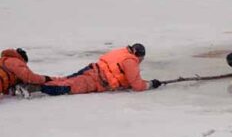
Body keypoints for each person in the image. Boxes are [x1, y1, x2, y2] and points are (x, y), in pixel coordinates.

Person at [33, 43, 161, 96]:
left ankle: (36, 81)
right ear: (138, 55)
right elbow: (137, 86)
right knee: (68, 87)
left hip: (92, 69)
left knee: (64, 80)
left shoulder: (122, 52)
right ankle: (35, 88)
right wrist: (151, 84)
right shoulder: (131, 61)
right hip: (97, 80)